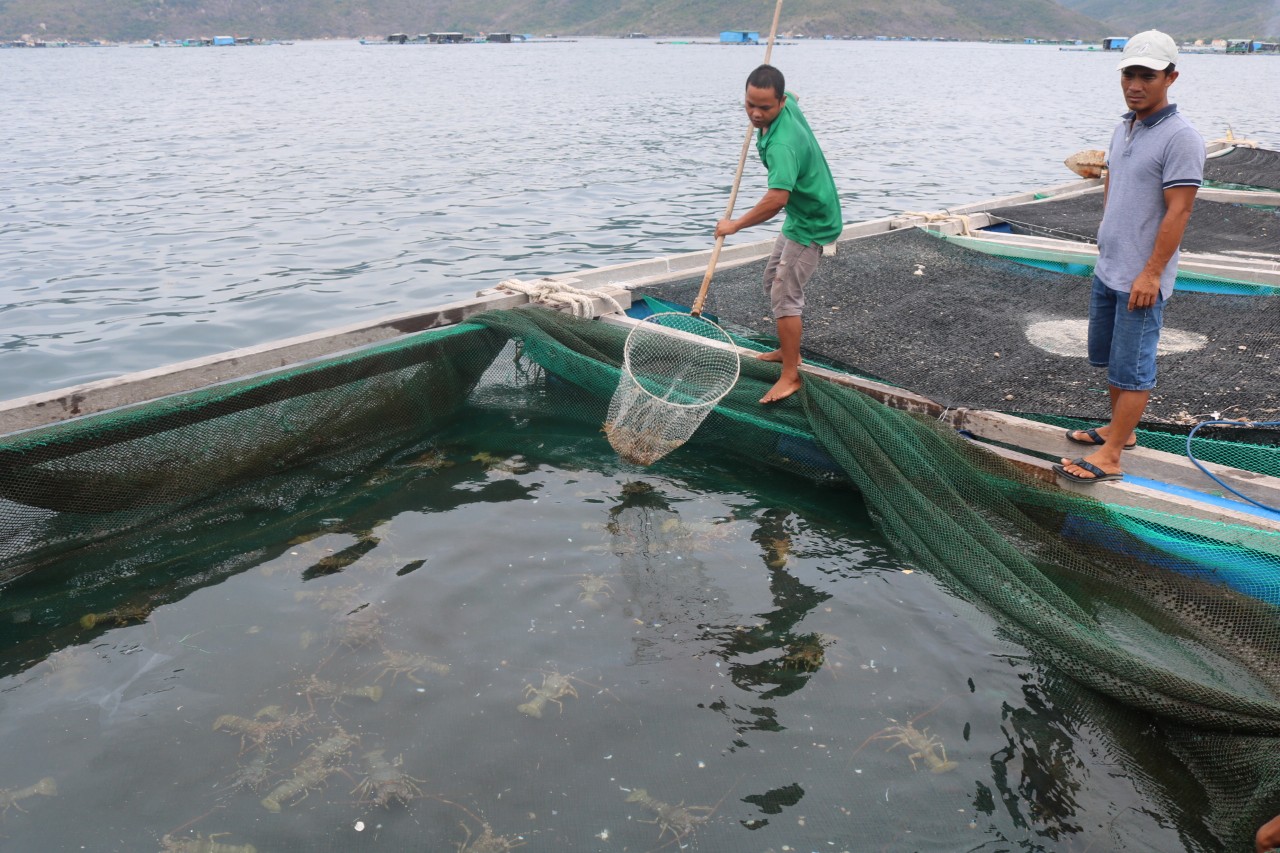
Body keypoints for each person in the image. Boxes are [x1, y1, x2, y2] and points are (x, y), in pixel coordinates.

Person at [1056, 30, 1204, 484]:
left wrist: (1152, 273)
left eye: (1148, 76)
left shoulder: (1181, 138)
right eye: (1129, 74)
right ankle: (1118, 431)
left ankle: (1113, 454)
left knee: (1135, 367)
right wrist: (1106, 233)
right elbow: (1113, 182)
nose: (1136, 84)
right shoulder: (1125, 127)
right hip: (1110, 267)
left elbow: (1180, 210)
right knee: (1113, 360)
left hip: (1142, 276)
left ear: (1170, 77)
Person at [715, 64, 842, 404]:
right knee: (773, 279)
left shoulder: (781, 145)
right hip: (800, 214)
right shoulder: (788, 107)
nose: (755, 113)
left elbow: (776, 199)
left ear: (781, 102)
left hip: (812, 221)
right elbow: (797, 95)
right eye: (749, 104)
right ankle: (789, 352)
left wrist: (735, 225)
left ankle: (790, 375)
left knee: (785, 297)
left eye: (765, 107)